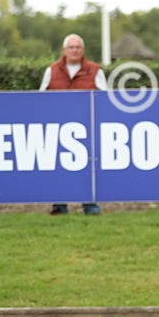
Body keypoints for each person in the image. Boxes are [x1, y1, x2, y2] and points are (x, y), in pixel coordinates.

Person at [40, 34, 106, 215]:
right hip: (58, 128)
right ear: (64, 50)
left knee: (90, 169)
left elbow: (105, 98)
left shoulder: (95, 70)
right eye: (71, 47)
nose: (75, 50)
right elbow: (41, 99)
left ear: (83, 50)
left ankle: (91, 206)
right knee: (58, 168)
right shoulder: (51, 70)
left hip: (87, 129)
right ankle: (59, 207)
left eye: (78, 47)